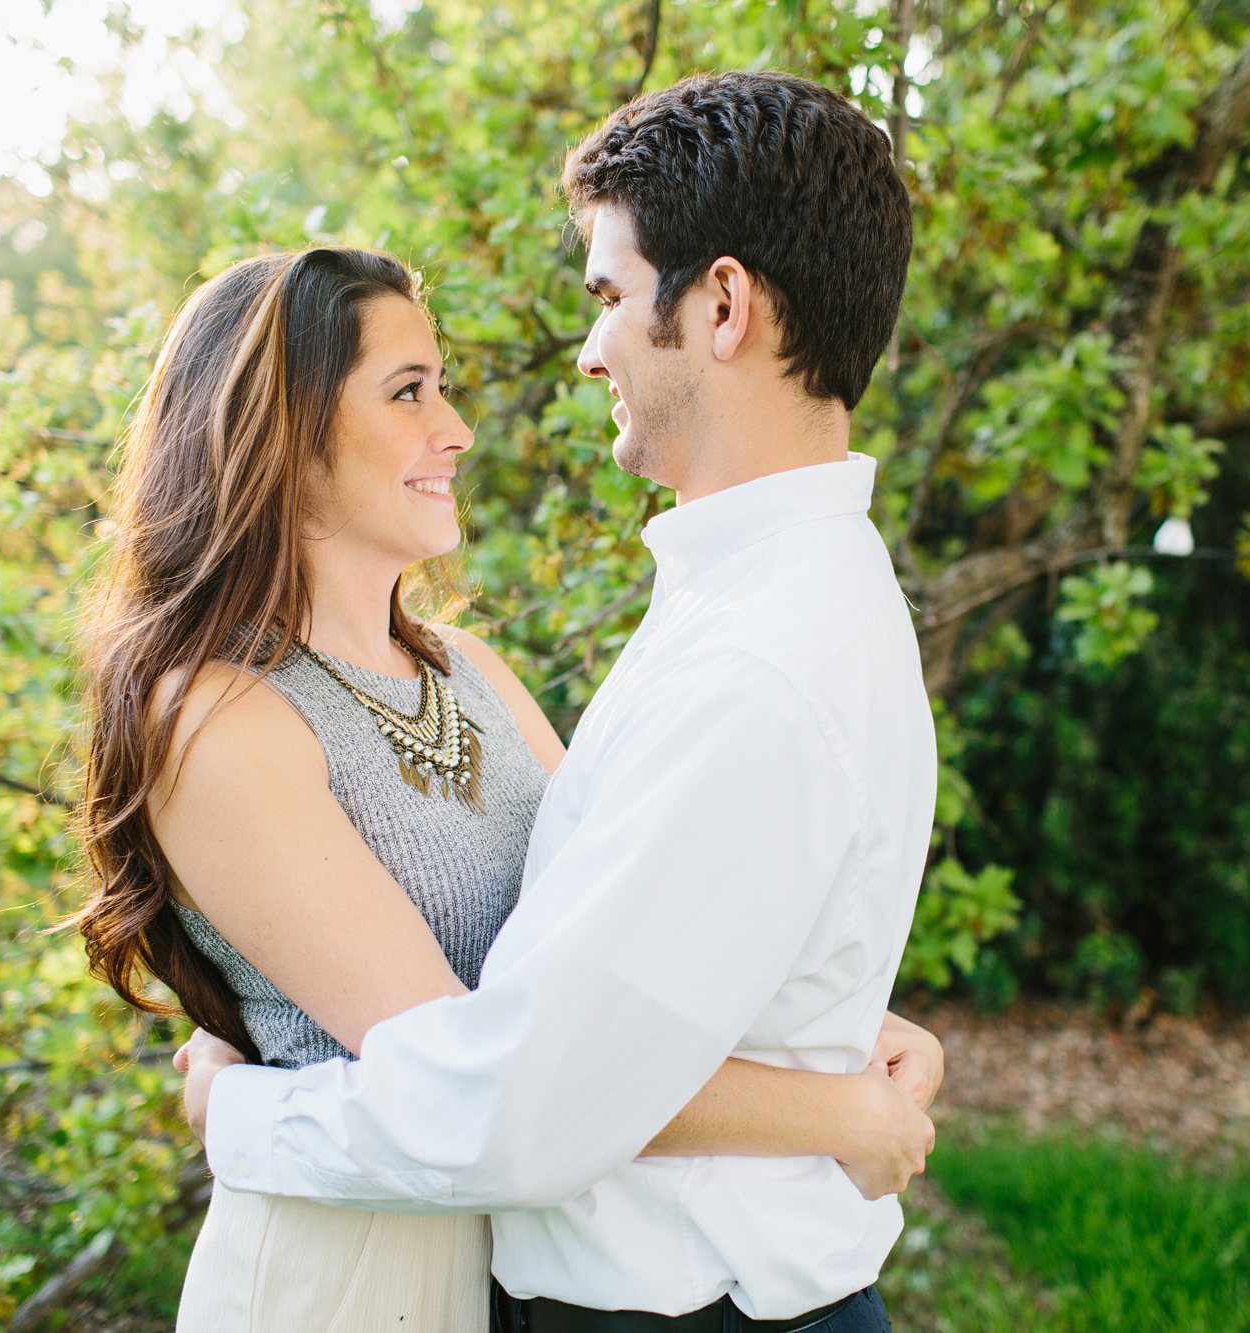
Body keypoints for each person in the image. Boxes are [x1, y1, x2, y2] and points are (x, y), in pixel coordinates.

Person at [179, 71, 934, 1333]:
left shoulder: (747, 658)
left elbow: (523, 1095)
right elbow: (624, 966)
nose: (587, 349)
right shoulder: (740, 602)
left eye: (609, 297)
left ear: (724, 304)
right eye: (408, 389)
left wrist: (235, 1108)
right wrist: (829, 1060)